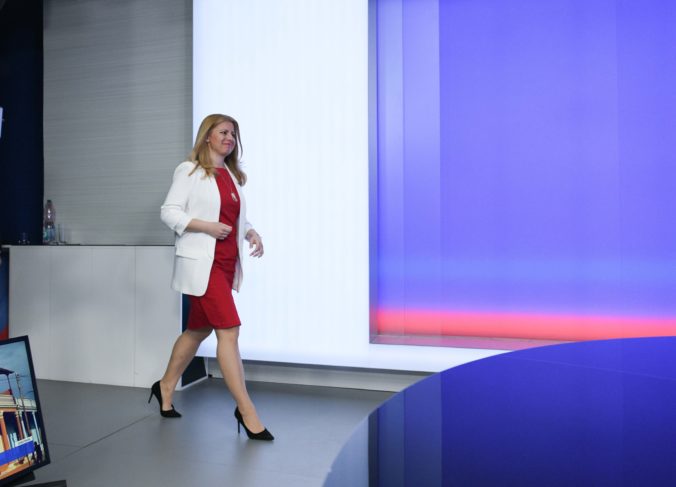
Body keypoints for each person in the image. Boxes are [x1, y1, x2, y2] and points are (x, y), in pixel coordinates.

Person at [149, 113, 273, 441]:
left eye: (233, 134)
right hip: (203, 265)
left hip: (226, 264)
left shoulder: (231, 176)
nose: (229, 138)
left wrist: (250, 231)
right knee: (229, 331)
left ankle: (165, 386)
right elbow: (169, 212)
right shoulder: (189, 171)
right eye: (223, 132)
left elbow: (230, 217)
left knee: (197, 330)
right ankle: (246, 411)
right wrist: (206, 227)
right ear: (207, 136)